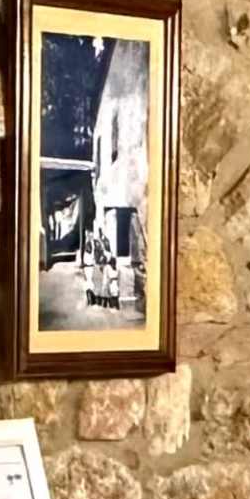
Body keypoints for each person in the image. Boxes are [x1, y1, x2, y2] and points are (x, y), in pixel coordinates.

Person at [86, 42, 149, 315]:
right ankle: (108, 299)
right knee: (107, 284)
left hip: (109, 269)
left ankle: (113, 300)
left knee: (111, 283)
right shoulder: (100, 244)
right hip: (106, 269)